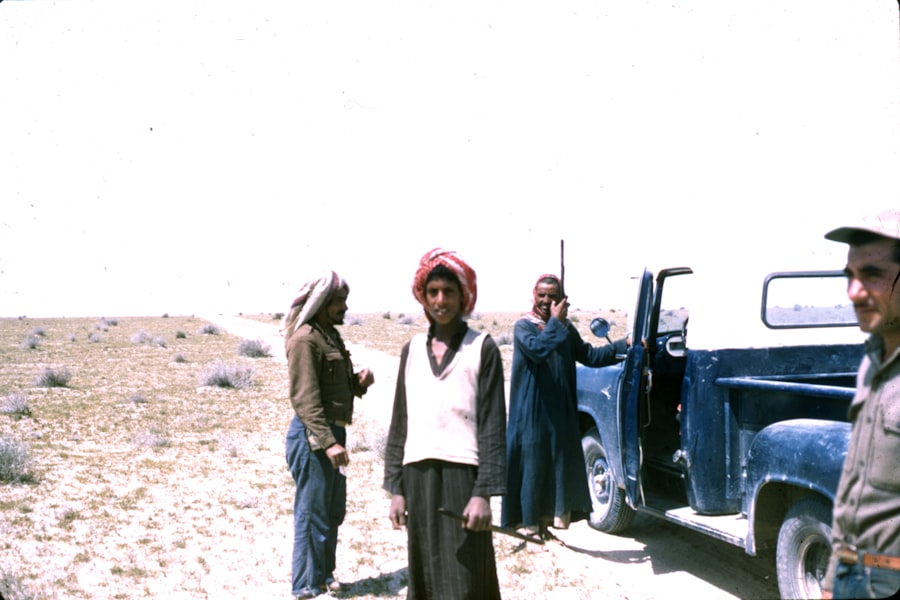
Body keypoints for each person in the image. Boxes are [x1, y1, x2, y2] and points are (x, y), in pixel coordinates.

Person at [383, 248, 507, 600]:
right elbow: (400, 422)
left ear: (463, 297)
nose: (441, 300)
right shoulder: (411, 350)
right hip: (417, 476)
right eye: (433, 292)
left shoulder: (481, 348)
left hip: (463, 478)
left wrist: (483, 493)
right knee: (425, 575)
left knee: (465, 579)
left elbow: (493, 427)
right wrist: (395, 488)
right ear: (423, 297)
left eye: (449, 292)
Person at [501, 274, 628, 544]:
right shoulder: (524, 326)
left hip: (558, 411)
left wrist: (622, 346)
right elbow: (537, 350)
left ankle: (544, 526)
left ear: (562, 299)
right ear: (533, 296)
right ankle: (529, 528)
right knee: (533, 465)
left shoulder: (564, 329)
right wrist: (557, 323)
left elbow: (590, 356)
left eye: (553, 296)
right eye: (542, 296)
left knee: (551, 465)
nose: (547, 301)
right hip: (532, 411)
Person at [822, 209, 900, 600]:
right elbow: (853, 488)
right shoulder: (871, 362)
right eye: (849, 277)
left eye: (872, 275)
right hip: (853, 577)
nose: (853, 292)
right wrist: (832, 579)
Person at [282, 271, 375, 599]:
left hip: (332, 433)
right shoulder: (305, 339)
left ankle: (324, 574)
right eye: (339, 302)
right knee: (312, 511)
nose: (344, 308)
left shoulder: (329, 336)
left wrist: (357, 382)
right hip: (314, 437)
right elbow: (305, 399)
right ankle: (305, 585)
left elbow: (334, 386)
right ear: (321, 303)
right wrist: (329, 441)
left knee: (332, 509)